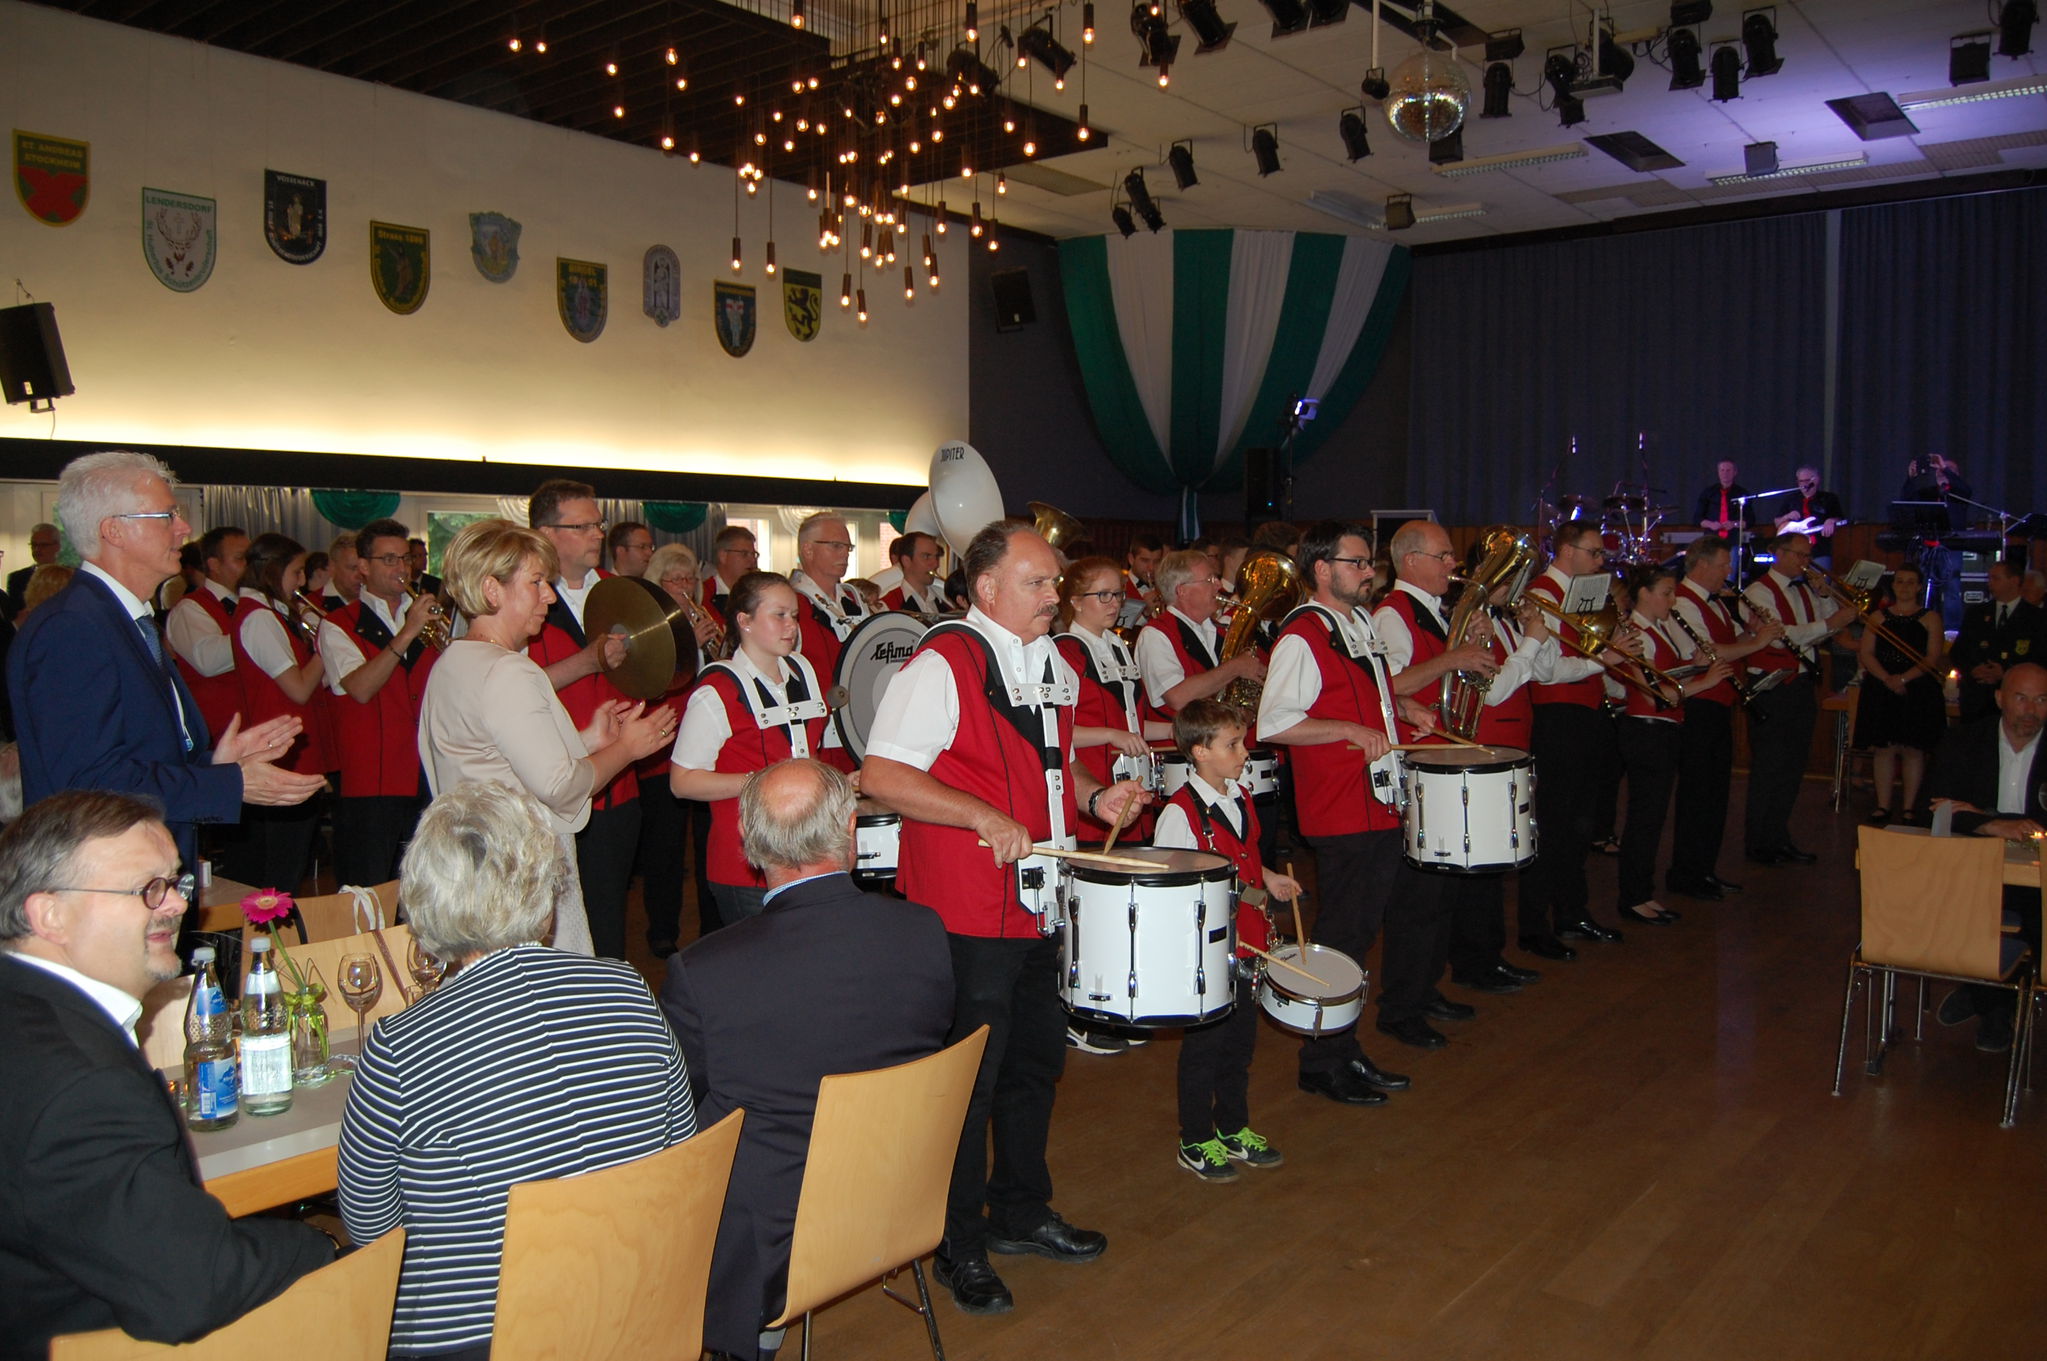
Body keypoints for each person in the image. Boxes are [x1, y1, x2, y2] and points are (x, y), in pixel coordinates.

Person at [861, 522, 1146, 1316]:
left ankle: (1019, 1208)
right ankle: (956, 1243)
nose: (1055, 594)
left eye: (1055, 581)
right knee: (969, 1082)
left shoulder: (1050, 658)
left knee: (1033, 1064)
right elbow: (881, 774)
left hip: (1039, 898)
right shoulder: (942, 660)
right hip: (967, 906)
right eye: (1038, 582)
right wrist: (978, 813)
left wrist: (1094, 796)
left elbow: (1056, 763)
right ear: (986, 588)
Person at [338, 780, 697, 1361]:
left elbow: (371, 1230)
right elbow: (679, 1144)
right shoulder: (628, 988)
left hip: (482, 1340)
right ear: (545, 886)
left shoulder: (399, 1047)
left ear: (425, 898)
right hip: (638, 1309)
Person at [0, 790, 335, 1354]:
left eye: (175, 883)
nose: (179, 904)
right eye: (148, 888)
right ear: (50, 914)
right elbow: (191, 1287)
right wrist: (321, 1247)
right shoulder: (80, 1082)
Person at [661, 759, 952, 1361]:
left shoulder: (706, 972)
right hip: (899, 1199)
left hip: (773, 1244)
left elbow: (676, 1109)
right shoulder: (924, 931)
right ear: (850, 828)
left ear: (747, 841)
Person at [6, 452, 320, 874]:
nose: (184, 529)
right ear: (114, 530)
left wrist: (215, 763)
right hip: (100, 878)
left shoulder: (123, 619)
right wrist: (228, 782)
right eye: (167, 516)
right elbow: (86, 780)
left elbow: (140, 757)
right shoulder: (72, 627)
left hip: (140, 869)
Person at [416, 518, 673, 956]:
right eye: (536, 583)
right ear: (492, 590)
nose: (549, 597)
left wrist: (588, 741)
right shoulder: (508, 670)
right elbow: (559, 786)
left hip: (474, 864)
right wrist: (627, 749)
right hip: (517, 870)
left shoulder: (455, 660)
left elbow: (497, 757)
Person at [1256, 521, 1421, 1096]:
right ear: (1322, 569)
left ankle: (1342, 1049)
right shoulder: (1303, 634)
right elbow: (1275, 722)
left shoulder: (1355, 624)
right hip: (1342, 806)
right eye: (1357, 562)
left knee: (1358, 933)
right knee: (1343, 936)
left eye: (1370, 562)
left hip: (1375, 801)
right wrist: (1349, 728)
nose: (1369, 571)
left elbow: (1358, 693)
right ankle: (1322, 1062)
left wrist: (1401, 709)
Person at [1374, 521, 1535, 1014]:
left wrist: (1478, 646)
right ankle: (1403, 1005)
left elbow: (1471, 679)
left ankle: (1425, 990)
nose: (1452, 564)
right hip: (1423, 767)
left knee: (1441, 895)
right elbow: (1389, 685)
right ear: (1412, 561)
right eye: (1443, 556)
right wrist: (1453, 657)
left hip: (1444, 763)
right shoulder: (1392, 615)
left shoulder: (1437, 610)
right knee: (1419, 899)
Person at [1151, 699, 1299, 1181]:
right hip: (1208, 948)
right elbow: (1173, 886)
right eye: (1232, 744)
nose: (1244, 752)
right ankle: (1195, 1138)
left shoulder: (1239, 795)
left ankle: (1233, 1126)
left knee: (1240, 1044)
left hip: (1249, 939)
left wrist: (1270, 877)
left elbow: (1244, 855)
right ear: (1199, 752)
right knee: (1204, 1048)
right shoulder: (1180, 814)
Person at [671, 571, 832, 927]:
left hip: (807, 854)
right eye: (779, 615)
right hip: (745, 865)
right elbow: (682, 782)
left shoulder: (803, 672)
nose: (792, 626)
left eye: (794, 615)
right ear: (744, 621)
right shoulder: (716, 691)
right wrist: (760, 781)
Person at [525, 479, 641, 960]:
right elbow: (510, 688)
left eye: (599, 524)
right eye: (583, 526)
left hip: (618, 781)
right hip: (551, 780)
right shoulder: (523, 598)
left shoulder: (621, 591)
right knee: (549, 922)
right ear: (546, 534)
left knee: (609, 916)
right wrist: (588, 662)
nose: (598, 534)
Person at [1519, 521, 1634, 954]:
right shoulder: (1543, 594)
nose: (1600, 561)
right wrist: (1602, 661)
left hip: (1586, 715)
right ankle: (1534, 927)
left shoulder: (1587, 593)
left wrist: (1612, 652)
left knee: (1580, 825)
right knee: (1553, 825)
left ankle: (1572, 912)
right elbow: (1546, 670)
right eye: (1594, 552)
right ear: (1567, 551)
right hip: (1557, 718)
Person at [1925, 661, 2047, 1054]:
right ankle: (1994, 1003)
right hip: (1975, 867)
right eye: (2021, 698)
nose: (2031, 710)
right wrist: (1997, 825)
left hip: (2039, 874)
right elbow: (1937, 806)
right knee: (1971, 905)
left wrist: (1983, 816)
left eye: (2042, 700)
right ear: (1999, 698)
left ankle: (1987, 995)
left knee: (2036, 913)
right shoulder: (1964, 741)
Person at [318, 518, 441, 888]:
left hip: (428, 774)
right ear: (363, 566)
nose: (401, 568)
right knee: (369, 890)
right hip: (372, 783)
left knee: (424, 892)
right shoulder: (338, 624)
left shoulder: (429, 618)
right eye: (389, 560)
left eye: (405, 559)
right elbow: (360, 688)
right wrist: (408, 631)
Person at [1612, 567, 1731, 925]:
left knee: (1653, 818)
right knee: (1644, 818)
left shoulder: (1657, 629)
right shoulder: (1635, 634)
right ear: (1644, 594)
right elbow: (1655, 696)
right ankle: (1633, 897)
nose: (1672, 599)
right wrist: (1706, 681)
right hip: (1647, 730)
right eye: (1666, 592)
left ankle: (1642, 892)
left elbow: (1667, 679)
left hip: (1662, 730)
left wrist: (1694, 666)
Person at [1666, 537, 1781, 900]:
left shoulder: (1714, 602)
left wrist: (1752, 631)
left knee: (1716, 794)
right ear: (1701, 565)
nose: (1729, 571)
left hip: (1719, 704)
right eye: (1723, 564)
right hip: (1699, 707)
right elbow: (1707, 651)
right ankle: (1686, 873)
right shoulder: (1683, 600)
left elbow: (1730, 643)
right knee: (1697, 794)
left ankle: (1704, 869)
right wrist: (1757, 643)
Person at [231, 533, 336, 892]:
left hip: (291, 750)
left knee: (291, 859)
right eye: (296, 572)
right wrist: (326, 647)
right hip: (282, 753)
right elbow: (298, 688)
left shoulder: (271, 614)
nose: (302, 582)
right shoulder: (259, 619)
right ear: (272, 571)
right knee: (283, 865)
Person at [1742, 532, 1856, 863]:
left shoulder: (1805, 590)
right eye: (1799, 555)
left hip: (1802, 684)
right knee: (1769, 768)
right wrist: (1828, 622)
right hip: (1771, 687)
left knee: (1793, 767)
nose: (1806, 562)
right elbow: (1780, 638)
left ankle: (1778, 836)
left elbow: (1826, 630)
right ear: (1778, 553)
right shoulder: (1757, 591)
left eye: (1808, 556)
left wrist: (1826, 597)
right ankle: (1758, 842)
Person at [639, 542, 721, 954]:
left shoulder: (707, 617)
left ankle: (713, 928)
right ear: (658, 583)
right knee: (665, 846)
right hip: (664, 742)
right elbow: (657, 682)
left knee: (708, 841)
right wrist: (689, 639)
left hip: (706, 744)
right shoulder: (649, 624)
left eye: (689, 579)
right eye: (675, 580)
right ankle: (662, 929)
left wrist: (712, 645)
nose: (685, 587)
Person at [1851, 564, 1946, 824]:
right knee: (1884, 749)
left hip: (1917, 687)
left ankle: (1909, 806)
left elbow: (1932, 656)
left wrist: (1903, 678)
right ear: (1893, 586)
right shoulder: (1877, 617)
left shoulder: (1931, 618)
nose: (1904, 586)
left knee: (1913, 750)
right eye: (1900, 581)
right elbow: (1866, 653)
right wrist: (1887, 679)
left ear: (1919, 587)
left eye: (1910, 582)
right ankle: (1883, 805)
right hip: (1882, 686)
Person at [1135, 548, 1265, 720]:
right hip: (1180, 737)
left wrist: (1248, 709)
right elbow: (1177, 697)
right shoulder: (1155, 635)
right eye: (1210, 579)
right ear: (1182, 590)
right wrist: (1236, 667)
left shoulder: (1221, 631)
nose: (1218, 585)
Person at [165, 524, 250, 743]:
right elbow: (208, 661)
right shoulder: (189, 608)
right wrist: (260, 631)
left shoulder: (250, 602)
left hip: (257, 722)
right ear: (214, 565)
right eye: (240, 558)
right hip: (219, 732)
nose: (248, 565)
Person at [1949, 558, 2045, 724]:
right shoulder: (1976, 614)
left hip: (2015, 701)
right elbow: (1958, 652)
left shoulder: (2037, 618)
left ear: (2014, 581)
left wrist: (2006, 672)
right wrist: (1973, 670)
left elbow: (2040, 657)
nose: (1990, 583)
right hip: (1976, 700)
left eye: (1996, 578)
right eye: (1989, 578)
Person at [788, 511, 867, 681]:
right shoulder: (792, 605)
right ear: (808, 550)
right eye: (836, 546)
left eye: (848, 547)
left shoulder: (855, 599)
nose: (845, 553)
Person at [1899, 454, 1972, 622]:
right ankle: (1924, 623)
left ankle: (1951, 630)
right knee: (1925, 586)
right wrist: (1911, 478)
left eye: (1949, 469)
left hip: (1952, 545)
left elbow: (1967, 490)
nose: (1941, 470)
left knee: (1951, 587)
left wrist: (1945, 468)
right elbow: (1906, 500)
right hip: (1929, 545)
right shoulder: (1929, 491)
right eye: (1939, 468)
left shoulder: (1958, 492)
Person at [1772, 466, 1847, 568]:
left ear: (1816, 480)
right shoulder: (1791, 499)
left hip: (1819, 550)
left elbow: (1840, 518)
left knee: (1820, 576)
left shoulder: (1829, 498)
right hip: (1795, 550)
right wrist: (1787, 516)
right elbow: (1777, 522)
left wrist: (1831, 520)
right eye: (1800, 481)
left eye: (1807, 480)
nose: (1804, 484)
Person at [702, 524, 761, 622]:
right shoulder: (703, 595)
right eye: (744, 554)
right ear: (723, 556)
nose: (753, 560)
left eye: (754, 554)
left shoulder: (757, 594)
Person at [4, 522, 60, 621]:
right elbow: (13, 615)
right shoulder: (17, 578)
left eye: (43, 545)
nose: (37, 549)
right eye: (34, 545)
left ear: (57, 547)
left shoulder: (69, 576)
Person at [881, 531, 946, 613]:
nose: (936, 564)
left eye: (936, 556)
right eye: (926, 556)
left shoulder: (945, 602)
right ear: (906, 561)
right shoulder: (887, 606)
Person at [1694, 460, 1756, 542]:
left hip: (1733, 539)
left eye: (1728, 470)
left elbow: (1750, 520)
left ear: (1735, 472)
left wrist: (1734, 524)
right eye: (1722, 470)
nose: (1725, 473)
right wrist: (1711, 524)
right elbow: (1697, 518)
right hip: (1711, 539)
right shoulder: (1708, 492)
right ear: (1718, 472)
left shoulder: (1742, 493)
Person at [1116, 531, 1165, 632]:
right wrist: (1144, 612)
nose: (1151, 568)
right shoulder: (1118, 587)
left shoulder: (1165, 587)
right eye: (1145, 561)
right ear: (1131, 559)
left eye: (1156, 562)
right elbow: (1117, 629)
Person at [323, 533, 362, 610]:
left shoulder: (376, 601)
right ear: (333, 567)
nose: (360, 576)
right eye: (353, 568)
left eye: (363, 568)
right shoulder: (312, 605)